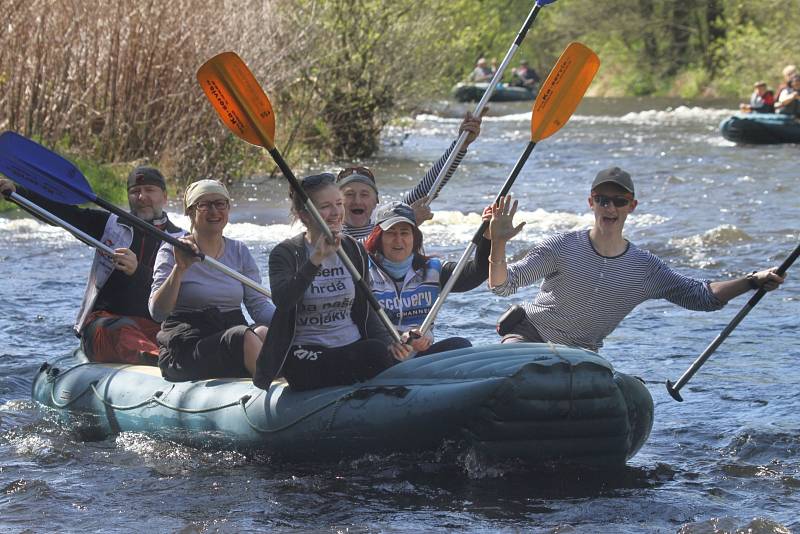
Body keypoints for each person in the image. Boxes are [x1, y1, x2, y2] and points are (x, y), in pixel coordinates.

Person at [487, 167, 786, 353]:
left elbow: (701, 296)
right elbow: (503, 286)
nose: (610, 207)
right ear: (591, 203)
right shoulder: (561, 246)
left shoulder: (645, 269)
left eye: (619, 201)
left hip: (581, 354)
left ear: (632, 206)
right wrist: (498, 242)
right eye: (603, 200)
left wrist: (751, 281)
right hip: (530, 337)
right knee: (516, 363)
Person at [0, 167, 182, 364]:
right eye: (135, 191)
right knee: (120, 331)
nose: (141, 197)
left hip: (156, 327)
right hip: (106, 323)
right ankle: (158, 360)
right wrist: (18, 193)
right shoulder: (109, 225)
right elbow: (64, 215)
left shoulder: (182, 241)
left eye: (149, 190)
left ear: (164, 196)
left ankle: (173, 358)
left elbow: (185, 296)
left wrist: (138, 272)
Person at [253, 174, 411, 391]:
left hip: (351, 347)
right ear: (304, 216)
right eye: (326, 206)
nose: (336, 213)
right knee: (369, 355)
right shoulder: (286, 253)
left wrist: (391, 344)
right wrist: (315, 259)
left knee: (378, 351)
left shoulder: (353, 249)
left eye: (339, 204)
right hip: (306, 354)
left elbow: (367, 309)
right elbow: (283, 301)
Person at [149, 179, 274, 381]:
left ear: (228, 208)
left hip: (230, 335)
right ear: (190, 211)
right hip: (187, 346)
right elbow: (157, 312)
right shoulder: (171, 250)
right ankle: (275, 390)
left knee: (265, 332)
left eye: (219, 204)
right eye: (204, 205)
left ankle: (286, 383)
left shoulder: (239, 251)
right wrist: (179, 269)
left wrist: (293, 320)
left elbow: (259, 307)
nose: (214, 211)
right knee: (242, 336)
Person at [364, 202, 492, 356]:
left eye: (404, 233)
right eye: (391, 233)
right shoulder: (363, 269)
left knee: (461, 345)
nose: (398, 240)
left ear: (414, 238)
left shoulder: (432, 269)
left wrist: (487, 237)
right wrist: (397, 338)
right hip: (382, 353)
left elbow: (476, 273)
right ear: (379, 238)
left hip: (419, 354)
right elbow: (363, 323)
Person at [337, 112, 484, 241]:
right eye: (349, 194)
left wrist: (461, 144)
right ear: (337, 203)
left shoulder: (387, 218)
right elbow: (353, 253)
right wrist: (408, 221)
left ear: (376, 201)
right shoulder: (327, 232)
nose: (357, 200)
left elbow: (428, 187)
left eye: (364, 194)